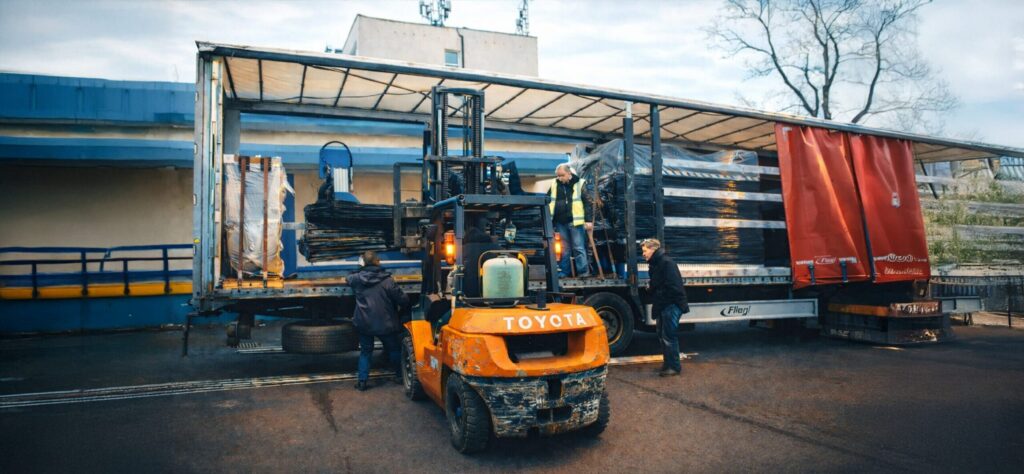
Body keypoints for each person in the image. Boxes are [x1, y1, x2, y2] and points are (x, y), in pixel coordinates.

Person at [348, 250, 409, 391]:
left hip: (364, 323)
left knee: (365, 352)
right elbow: (403, 300)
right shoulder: (387, 281)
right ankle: (400, 375)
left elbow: (347, 278)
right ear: (378, 262)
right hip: (385, 323)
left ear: (362, 263)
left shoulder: (356, 279)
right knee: (394, 349)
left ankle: (362, 382)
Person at [642, 239, 689, 377]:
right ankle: (668, 364)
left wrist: (658, 294)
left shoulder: (666, 263)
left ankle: (674, 367)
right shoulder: (655, 264)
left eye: (644, 251)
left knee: (669, 337)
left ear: (653, 249)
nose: (643, 254)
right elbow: (658, 284)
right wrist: (651, 288)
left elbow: (674, 287)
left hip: (671, 305)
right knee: (663, 336)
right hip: (664, 305)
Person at [548, 163, 593, 278]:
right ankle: (564, 272)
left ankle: (583, 272)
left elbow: (588, 202)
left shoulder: (579, 183)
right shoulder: (554, 184)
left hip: (575, 221)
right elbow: (548, 201)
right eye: (558, 176)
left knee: (578, 247)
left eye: (562, 175)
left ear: (569, 174)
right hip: (560, 222)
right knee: (564, 249)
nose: (559, 178)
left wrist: (588, 220)